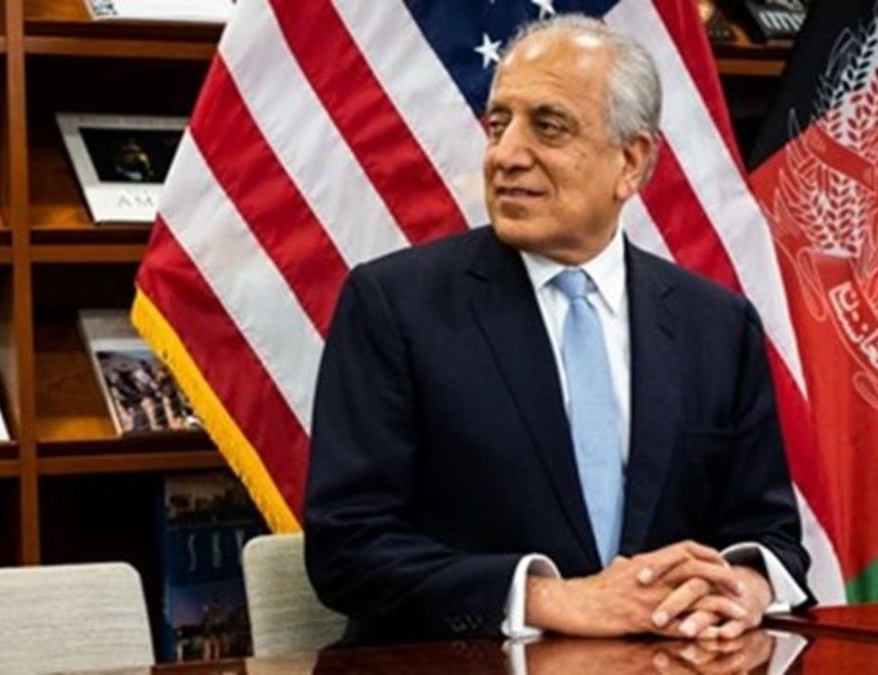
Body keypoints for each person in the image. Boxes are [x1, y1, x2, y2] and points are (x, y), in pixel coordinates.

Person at [304, 15, 812, 646]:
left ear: (631, 162)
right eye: (499, 125)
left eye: (548, 127)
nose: (506, 155)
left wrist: (746, 585)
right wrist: (547, 598)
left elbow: (769, 534)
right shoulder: (393, 307)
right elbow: (347, 547)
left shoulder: (717, 326)